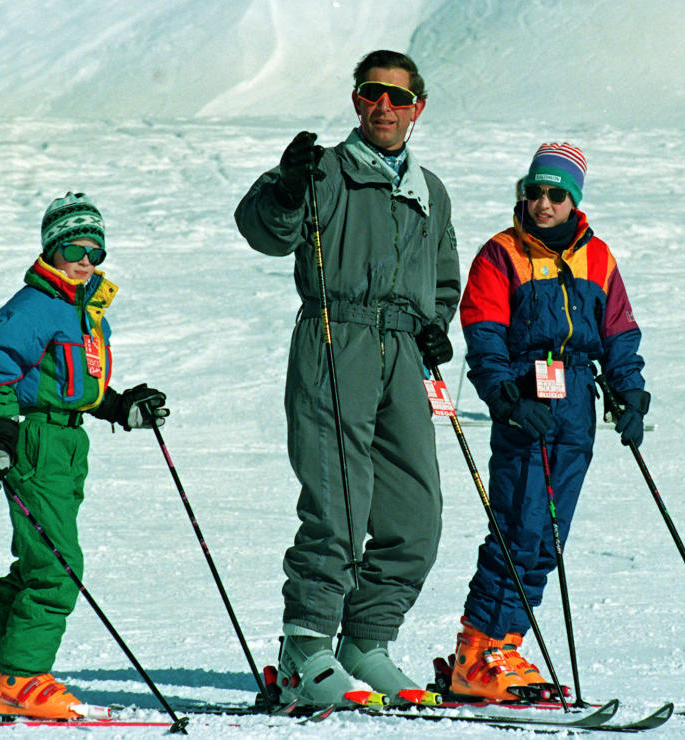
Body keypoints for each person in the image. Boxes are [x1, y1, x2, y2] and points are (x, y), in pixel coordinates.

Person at [234, 50, 461, 708]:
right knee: (338, 503)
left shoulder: (430, 190)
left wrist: (433, 322)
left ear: (418, 105)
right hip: (338, 337)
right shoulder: (326, 170)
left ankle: (365, 641)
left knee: (415, 515)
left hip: (403, 353)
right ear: (357, 101)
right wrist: (283, 187)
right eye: (371, 93)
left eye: (398, 96)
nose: (384, 106)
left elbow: (442, 275)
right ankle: (306, 647)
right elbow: (266, 233)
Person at [0, 192, 169, 720]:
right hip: (36, 440)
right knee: (56, 566)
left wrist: (122, 407)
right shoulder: (35, 305)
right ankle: (21, 681)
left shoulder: (83, 309)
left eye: (95, 252)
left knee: (34, 563)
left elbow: (75, 385)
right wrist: (0, 435)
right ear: (51, 248)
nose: (85, 260)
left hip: (68, 443)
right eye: (74, 248)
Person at [449, 143, 650, 701]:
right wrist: (507, 397)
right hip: (527, 398)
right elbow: (483, 333)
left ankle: (507, 646)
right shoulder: (501, 253)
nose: (542, 203)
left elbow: (618, 331)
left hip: (577, 401)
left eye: (555, 194)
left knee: (547, 537)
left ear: (574, 200)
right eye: (532, 192)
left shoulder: (598, 258)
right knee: (517, 525)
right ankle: (477, 652)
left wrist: (630, 393)